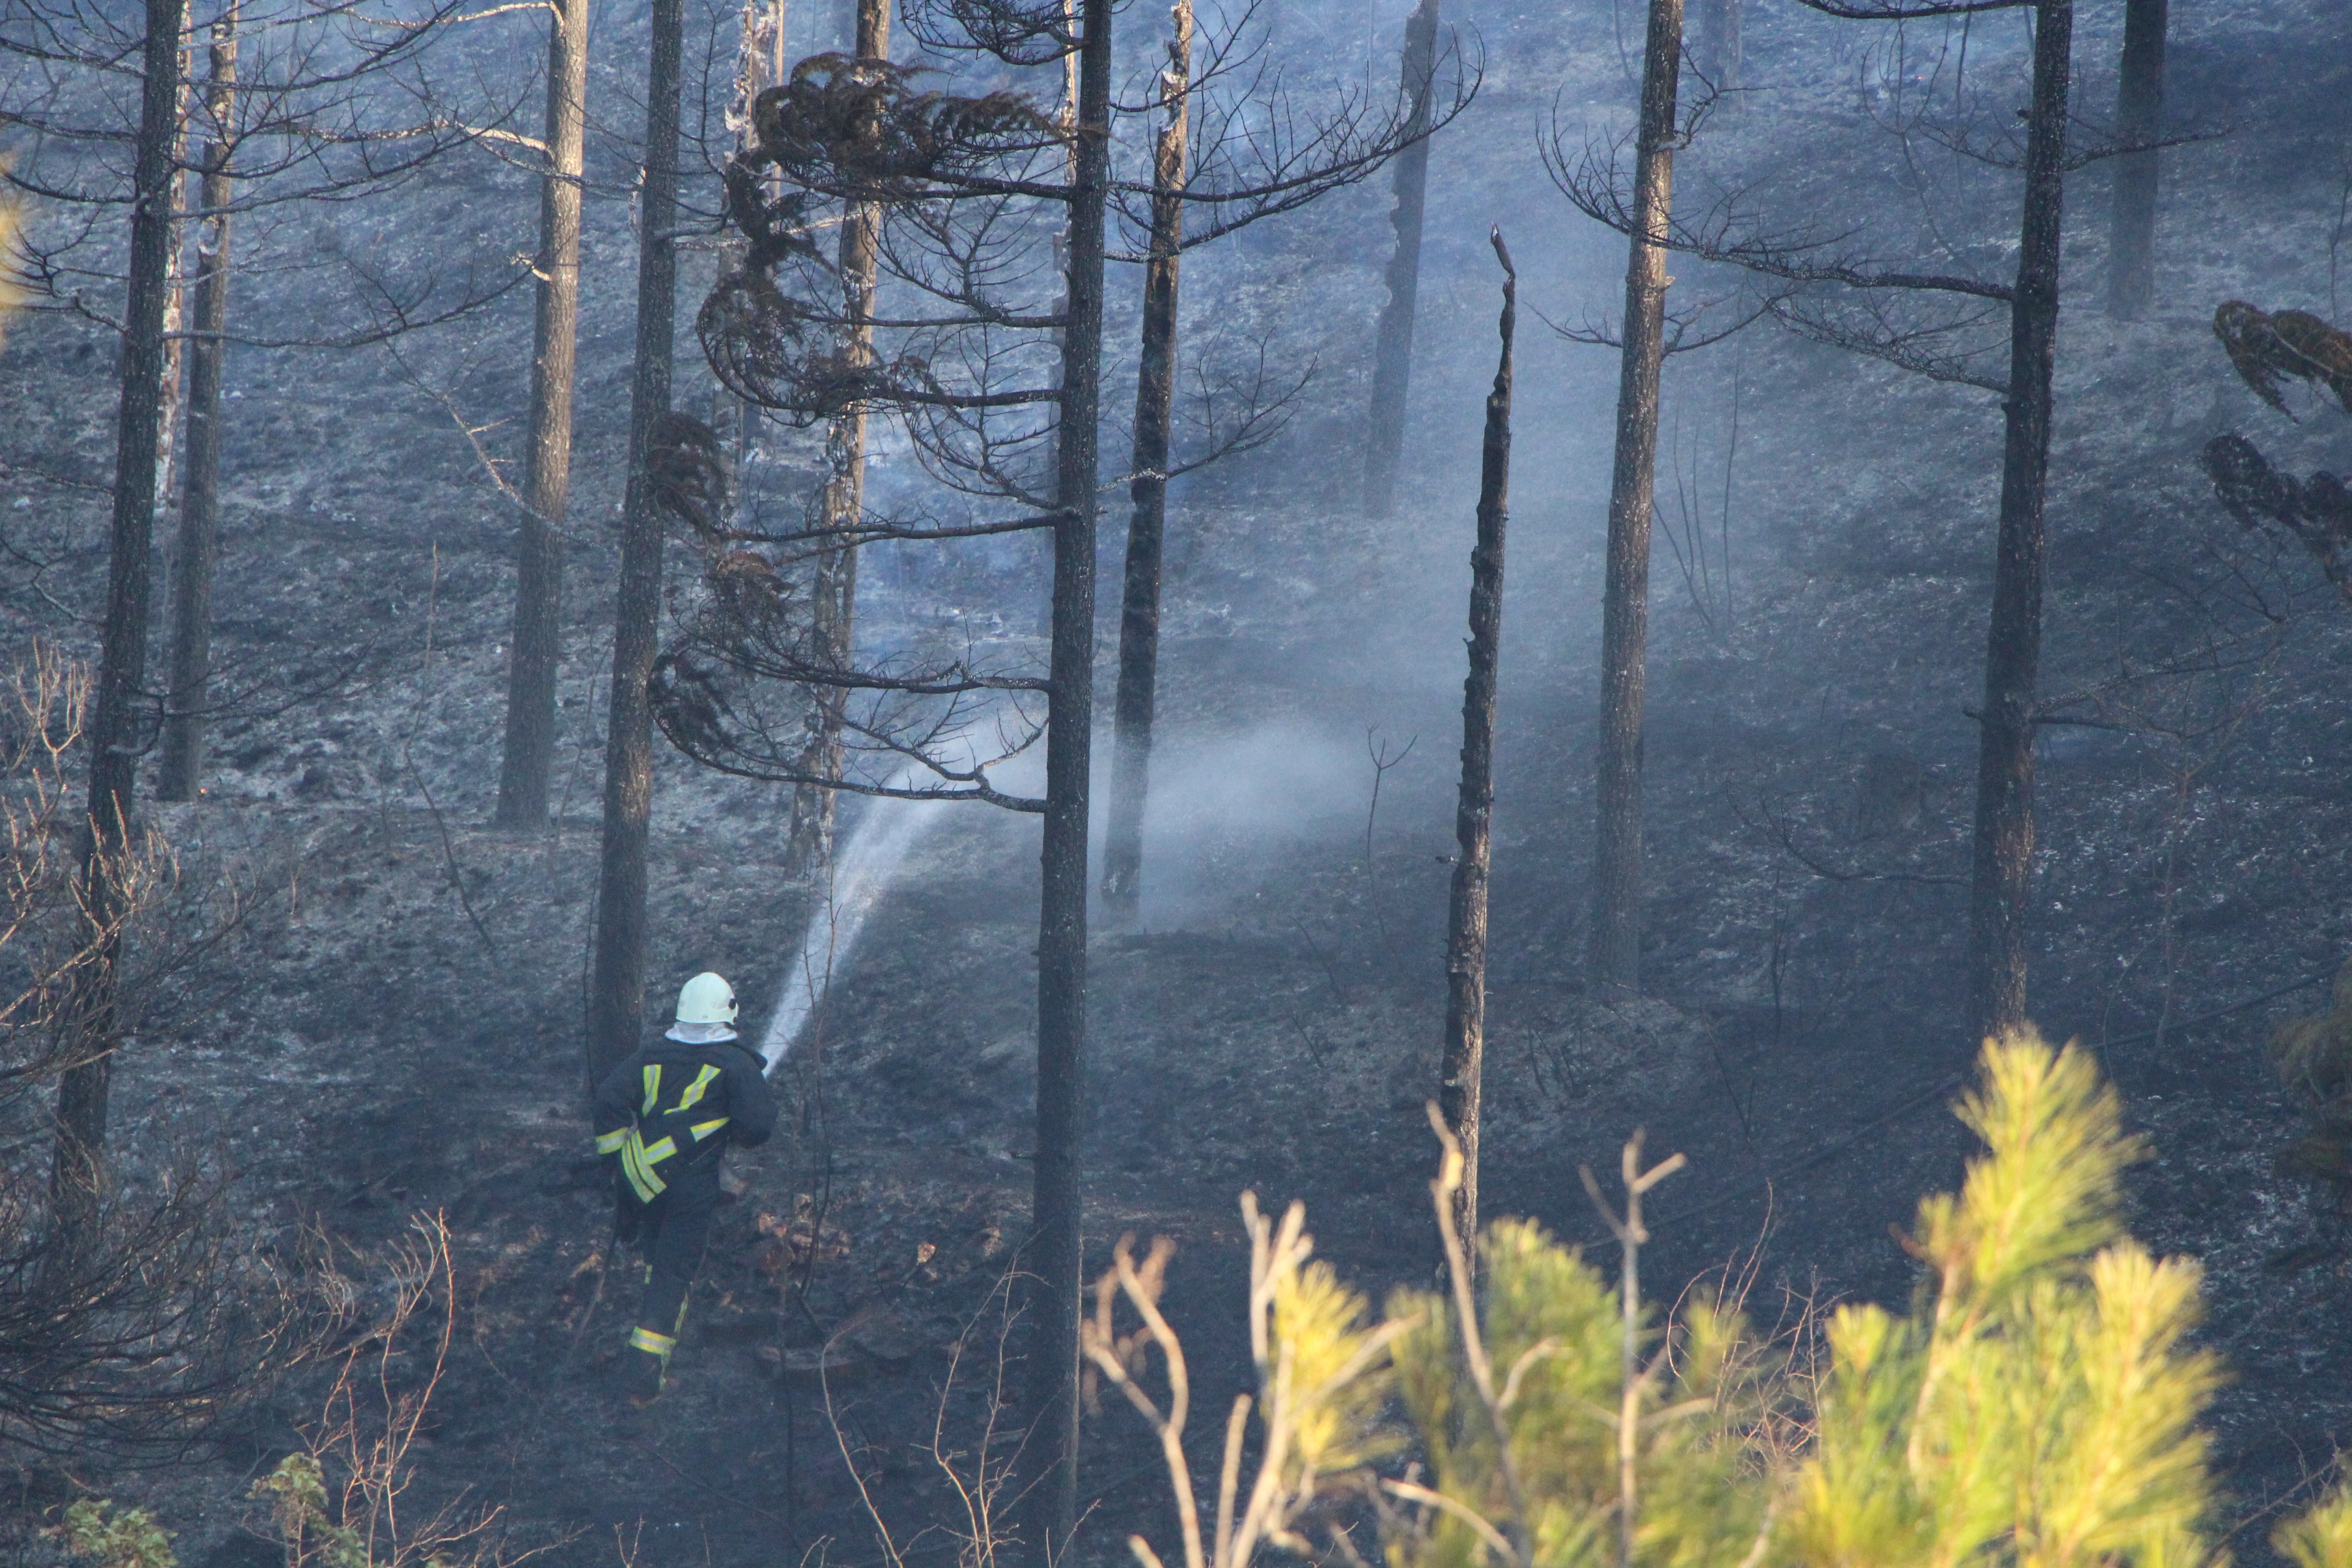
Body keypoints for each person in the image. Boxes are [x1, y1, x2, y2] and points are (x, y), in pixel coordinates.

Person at [592, 971, 775, 1405]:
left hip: (642, 1181)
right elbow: (757, 1129)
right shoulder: (736, 1065)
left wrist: (616, 1162)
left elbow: (608, 1100)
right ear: (729, 1012)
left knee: (658, 1260)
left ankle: (646, 1343)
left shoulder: (650, 1056)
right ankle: (643, 1382)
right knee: (672, 1276)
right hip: (689, 1188)